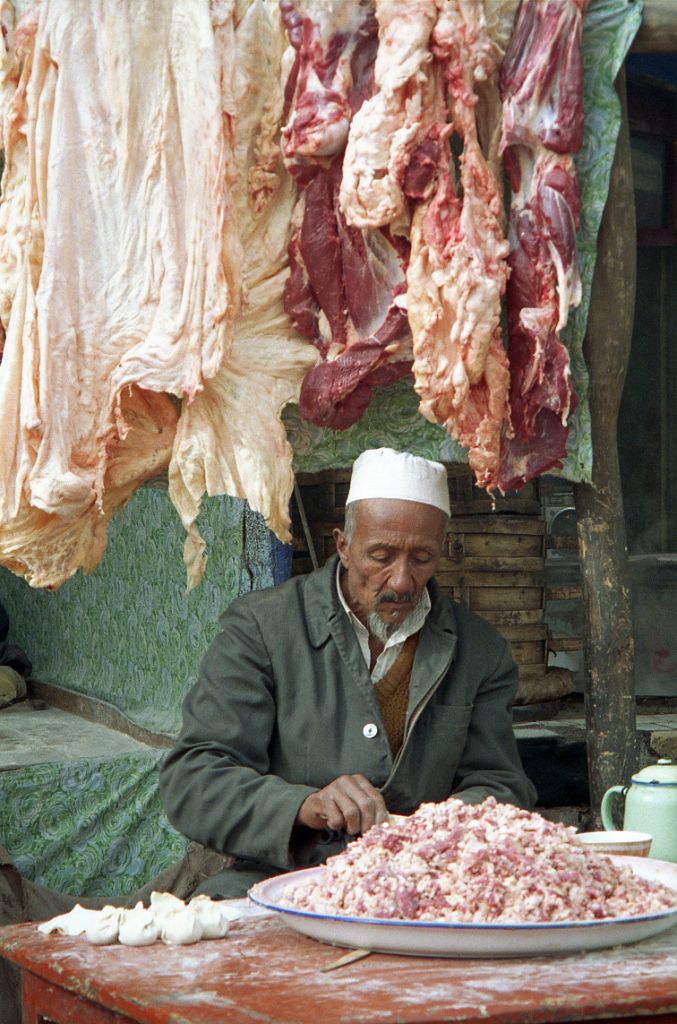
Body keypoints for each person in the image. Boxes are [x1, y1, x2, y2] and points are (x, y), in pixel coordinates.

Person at [159, 447, 537, 898]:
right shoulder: (263, 628)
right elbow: (193, 780)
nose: (401, 581)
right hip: (275, 883)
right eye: (381, 555)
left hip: (421, 886)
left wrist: (438, 831)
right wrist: (304, 805)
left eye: (421, 558)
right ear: (342, 545)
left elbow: (500, 783)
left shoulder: (479, 650)